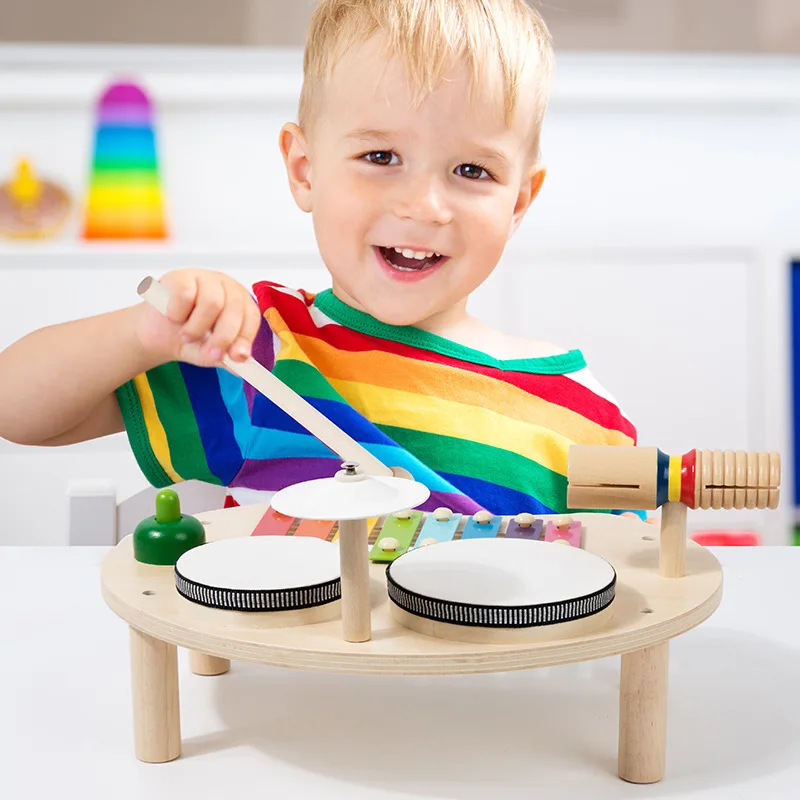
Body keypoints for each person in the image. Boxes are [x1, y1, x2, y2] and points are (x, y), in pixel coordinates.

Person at [0, 0, 639, 518]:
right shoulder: (261, 356)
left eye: (472, 170)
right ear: (305, 170)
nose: (424, 206)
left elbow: (626, 594)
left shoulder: (583, 416)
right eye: (381, 157)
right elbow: (16, 409)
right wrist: (143, 334)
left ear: (519, 201)